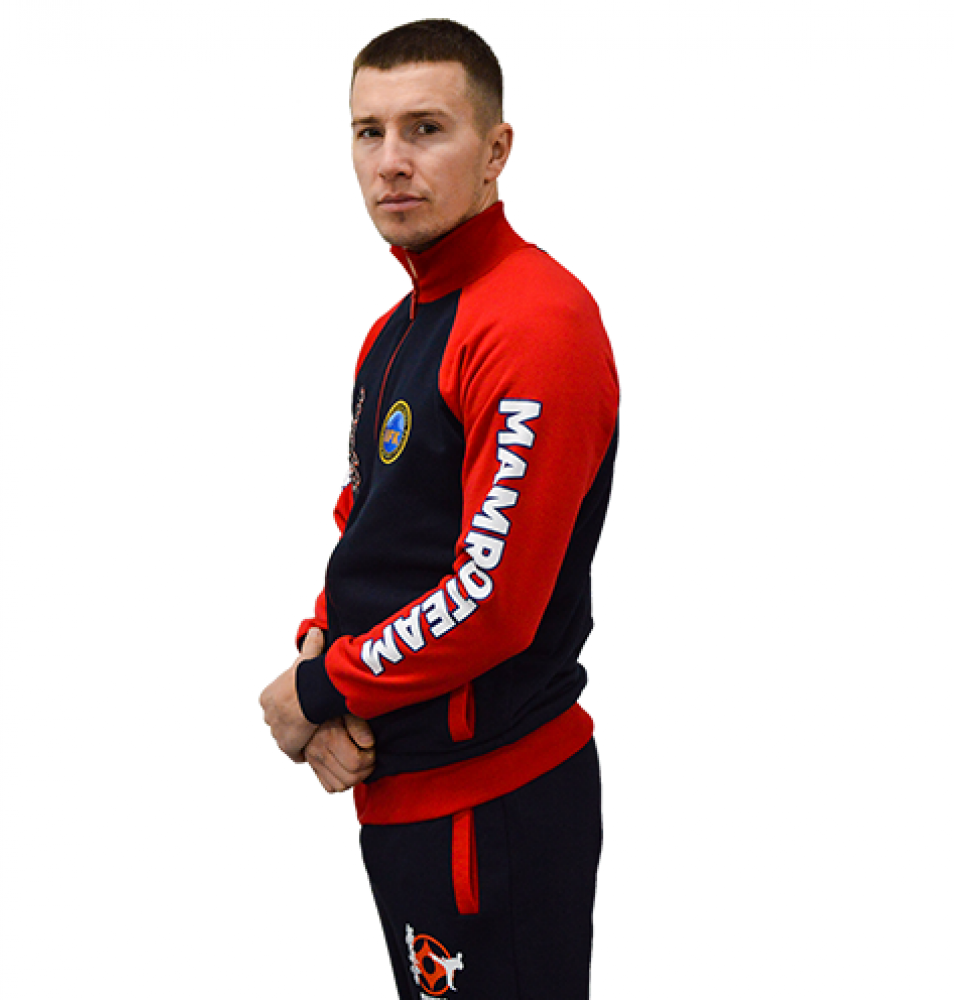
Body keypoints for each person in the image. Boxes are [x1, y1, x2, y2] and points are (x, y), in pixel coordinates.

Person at [260, 18, 619, 999]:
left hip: (492, 807)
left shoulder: (534, 320)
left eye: (426, 128)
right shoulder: (396, 329)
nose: (391, 161)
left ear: (496, 150)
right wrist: (317, 648)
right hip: (406, 797)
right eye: (367, 132)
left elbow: (491, 598)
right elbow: (369, 528)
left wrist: (323, 691)